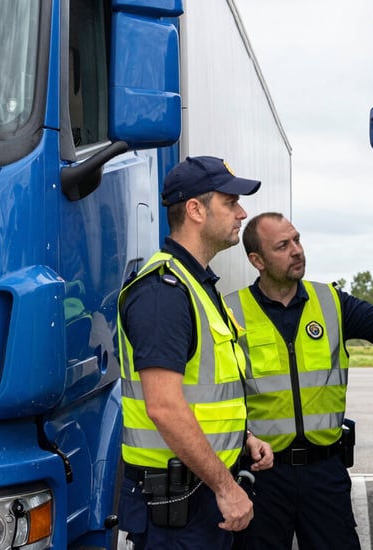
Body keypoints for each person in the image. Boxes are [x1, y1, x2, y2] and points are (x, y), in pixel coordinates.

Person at [224, 212, 373, 550]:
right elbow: (218, 397)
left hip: (324, 473)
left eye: (297, 239)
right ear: (257, 260)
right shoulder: (230, 314)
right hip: (263, 475)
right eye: (283, 245)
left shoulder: (331, 302)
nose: (297, 250)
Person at [116, 156, 274, 550]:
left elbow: (201, 394)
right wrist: (226, 487)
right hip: (179, 508)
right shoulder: (163, 293)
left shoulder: (196, 284)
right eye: (230, 203)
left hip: (196, 493)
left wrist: (242, 437)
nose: (242, 213)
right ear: (195, 210)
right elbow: (165, 407)